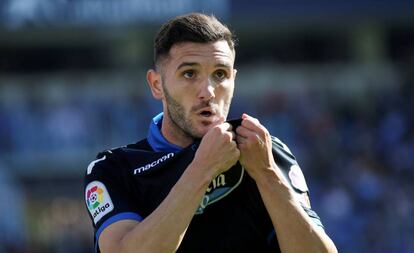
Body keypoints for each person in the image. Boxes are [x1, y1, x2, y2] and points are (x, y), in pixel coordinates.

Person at [84, 12, 337, 253]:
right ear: (157, 84)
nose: (208, 91)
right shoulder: (114, 169)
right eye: (190, 73)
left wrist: (267, 174)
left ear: (234, 80)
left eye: (220, 74)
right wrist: (202, 169)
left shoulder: (264, 152)